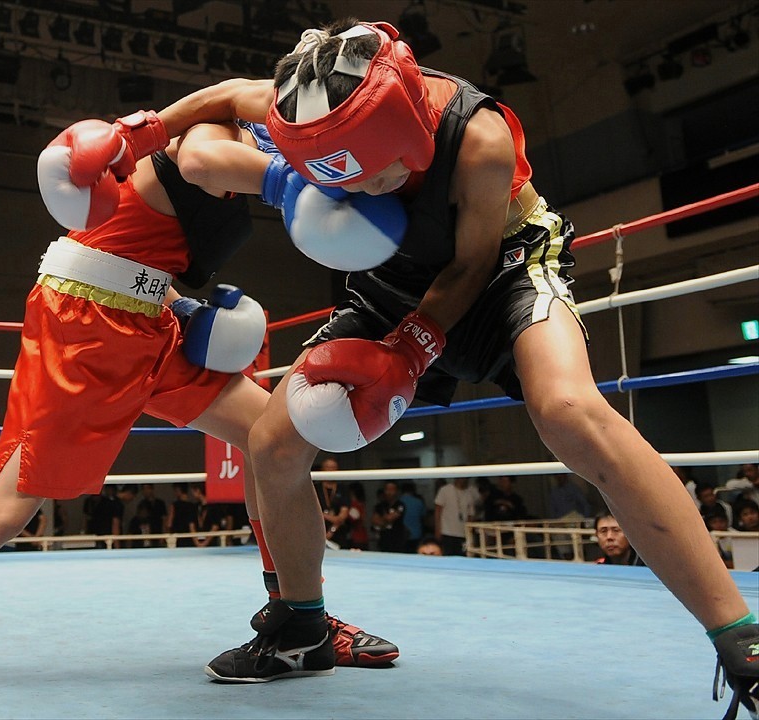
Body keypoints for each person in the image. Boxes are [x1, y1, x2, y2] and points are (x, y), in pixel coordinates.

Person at [157, 18, 759, 709]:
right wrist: (145, 131)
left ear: (402, 131)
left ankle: (739, 634)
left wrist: (414, 348)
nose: (365, 191)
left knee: (569, 412)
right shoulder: (316, 109)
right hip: (395, 284)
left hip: (506, 266)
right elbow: (231, 96)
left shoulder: (479, 136)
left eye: (371, 172)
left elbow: (471, 263)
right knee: (271, 442)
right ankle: (301, 625)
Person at [0, 108, 397, 689]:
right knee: (3, 510)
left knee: (273, 440)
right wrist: (304, 180)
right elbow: (208, 144)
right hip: (86, 330)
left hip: (150, 321)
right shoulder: (217, 137)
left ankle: (302, 616)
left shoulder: (249, 121)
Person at [433, 477, 474, 557]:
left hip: (462, 534)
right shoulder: (445, 490)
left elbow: (470, 515)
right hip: (447, 532)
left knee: (462, 558)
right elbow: (438, 511)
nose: (464, 480)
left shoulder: (469, 493)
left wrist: (469, 534)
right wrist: (437, 529)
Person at [315, 457, 350, 549]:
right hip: (317, 533)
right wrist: (327, 516)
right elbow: (310, 512)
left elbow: (342, 517)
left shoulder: (343, 489)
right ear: (322, 469)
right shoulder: (314, 488)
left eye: (333, 468)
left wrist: (331, 530)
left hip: (339, 535)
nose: (330, 470)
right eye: (328, 467)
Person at [371, 481, 406, 553]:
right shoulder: (380, 505)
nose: (389, 492)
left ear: (396, 491)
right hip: (383, 540)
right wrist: (385, 519)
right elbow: (375, 521)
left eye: (392, 490)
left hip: (397, 541)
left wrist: (383, 519)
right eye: (387, 489)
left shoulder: (400, 505)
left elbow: (390, 518)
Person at [399, 482, 426, 553]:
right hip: (416, 534)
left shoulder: (398, 502)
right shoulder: (419, 502)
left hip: (402, 535)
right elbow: (423, 516)